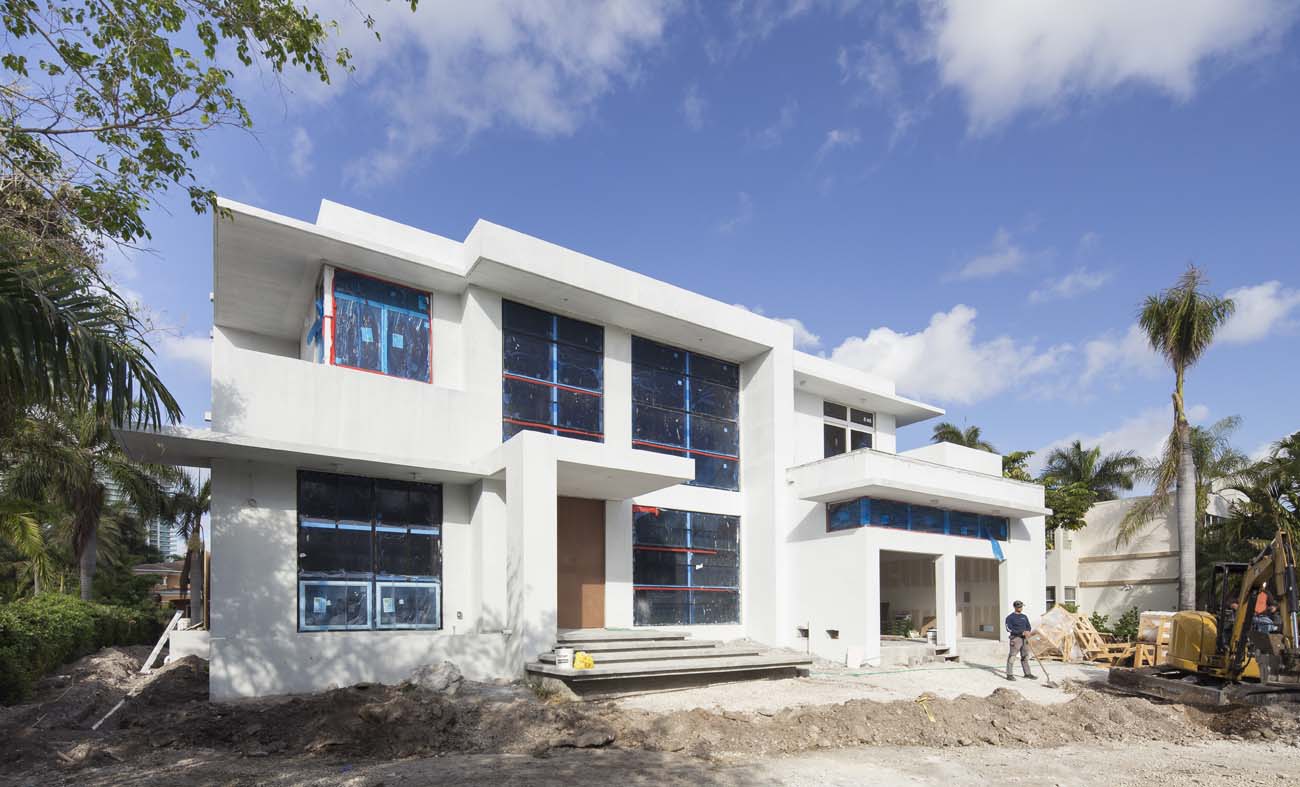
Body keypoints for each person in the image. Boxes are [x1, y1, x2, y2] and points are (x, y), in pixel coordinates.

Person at [1005, 600, 1037, 681]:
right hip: (1015, 639)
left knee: (1025, 656)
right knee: (1012, 657)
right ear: (1015, 607)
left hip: (1025, 639)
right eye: (1019, 606)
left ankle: (1027, 673)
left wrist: (1027, 632)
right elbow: (1008, 629)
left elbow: (1028, 626)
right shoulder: (1010, 617)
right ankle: (1009, 675)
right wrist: (1020, 632)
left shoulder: (1024, 616)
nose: (1021, 608)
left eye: (1021, 606)